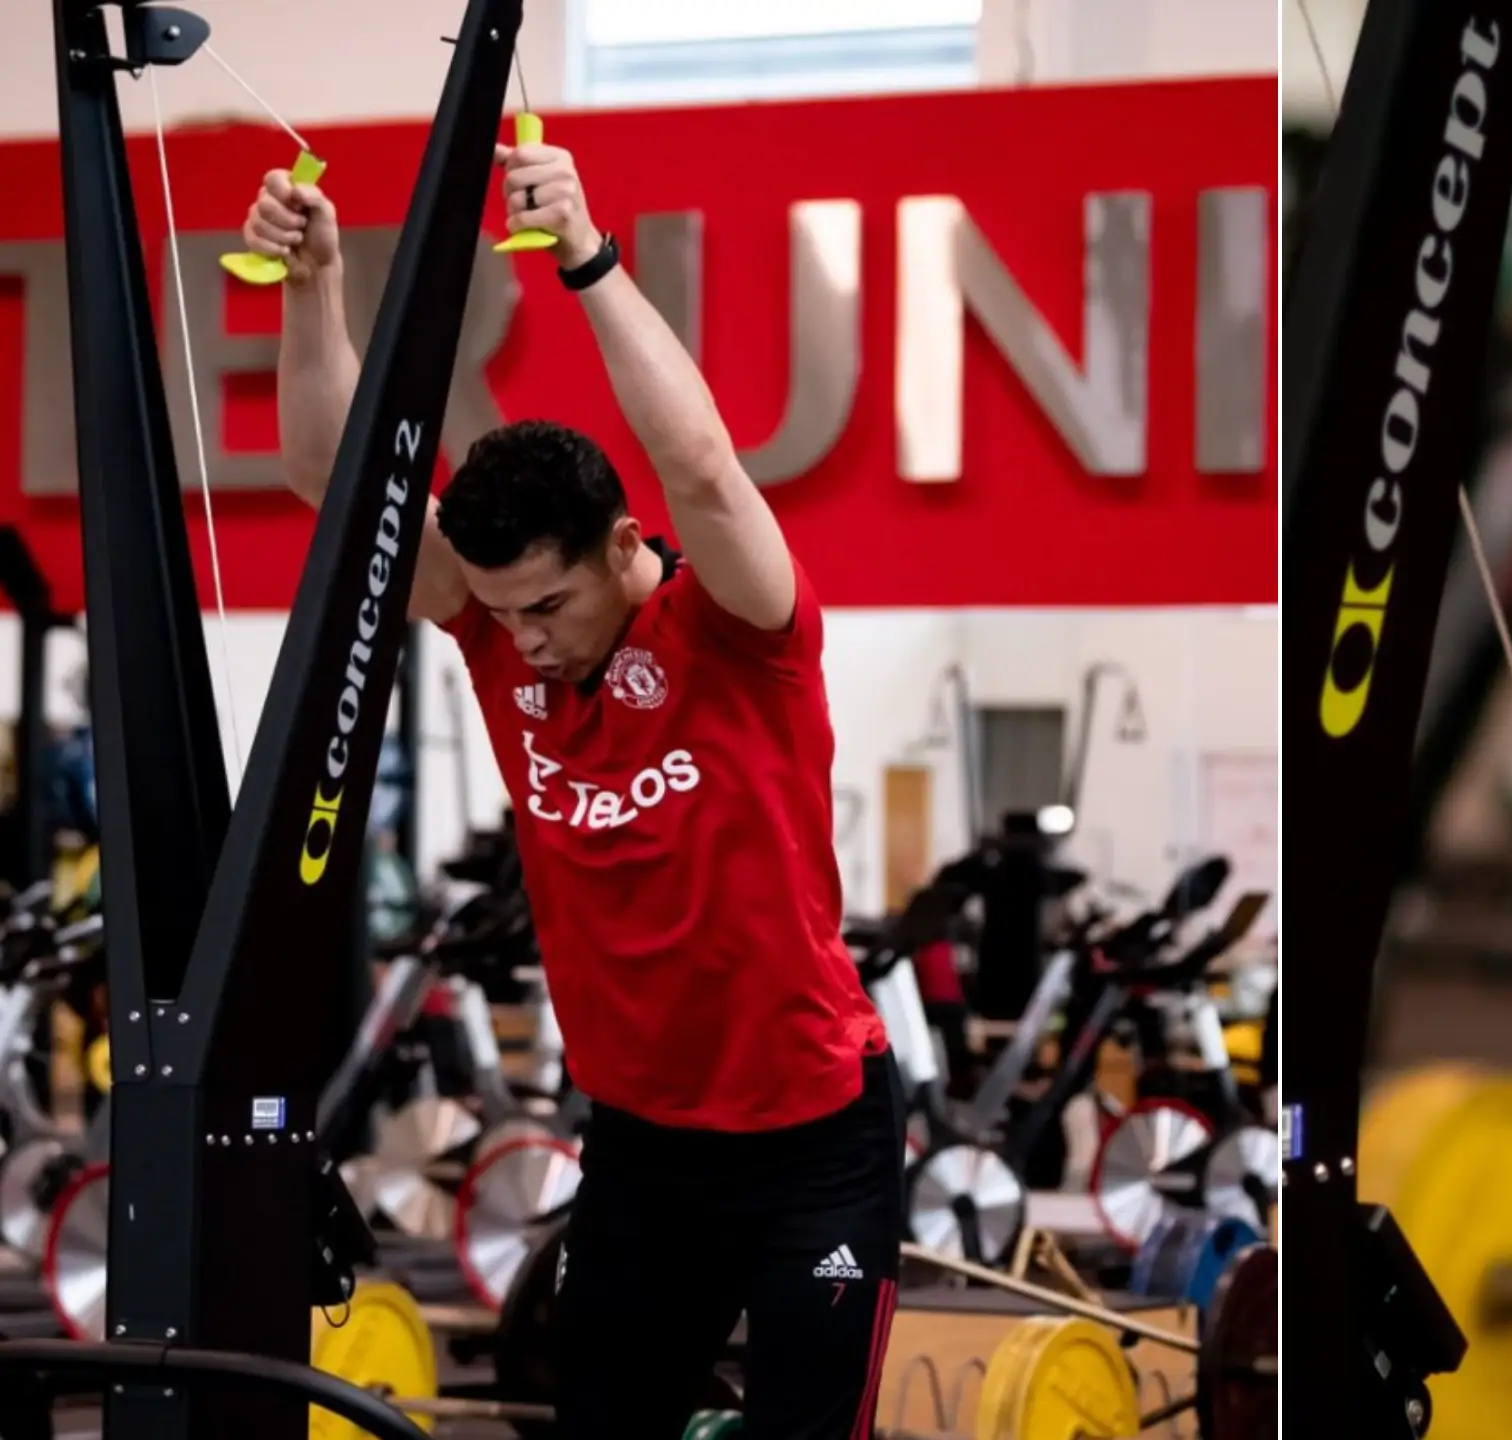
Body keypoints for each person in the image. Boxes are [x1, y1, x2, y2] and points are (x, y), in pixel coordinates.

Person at [240, 133, 902, 1439]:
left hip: (813, 1135)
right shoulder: (500, 636)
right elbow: (333, 481)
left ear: (620, 547)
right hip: (645, 1147)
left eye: (547, 605)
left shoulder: (740, 630)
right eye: (501, 611)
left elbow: (703, 467)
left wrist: (589, 257)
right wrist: (313, 288)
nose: (524, 639)